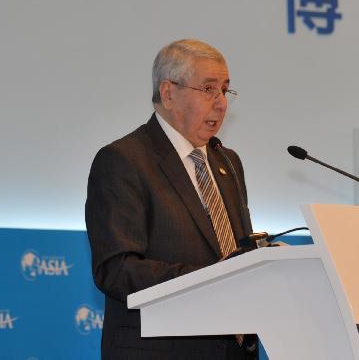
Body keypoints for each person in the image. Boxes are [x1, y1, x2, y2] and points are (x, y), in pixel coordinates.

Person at [86, 39, 257, 359]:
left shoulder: (227, 162)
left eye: (225, 90)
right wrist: (212, 278)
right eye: (208, 89)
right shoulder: (124, 160)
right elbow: (116, 270)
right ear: (168, 93)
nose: (221, 103)